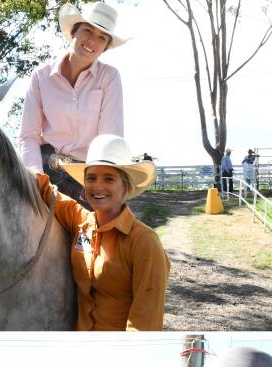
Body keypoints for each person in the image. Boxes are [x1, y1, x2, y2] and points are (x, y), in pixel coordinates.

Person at [33, 134, 169, 331]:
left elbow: (145, 325)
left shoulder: (144, 242)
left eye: (109, 179)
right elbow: (49, 192)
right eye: (91, 178)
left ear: (125, 187)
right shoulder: (83, 222)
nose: (98, 186)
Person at [20, 2, 127, 207]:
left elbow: (109, 137)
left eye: (102, 37)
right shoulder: (41, 77)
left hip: (87, 175)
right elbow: (28, 136)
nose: (92, 41)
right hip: (45, 167)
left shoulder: (109, 78)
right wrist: (36, 177)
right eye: (88, 30)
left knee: (94, 234)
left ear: (105, 47)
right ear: (74, 31)